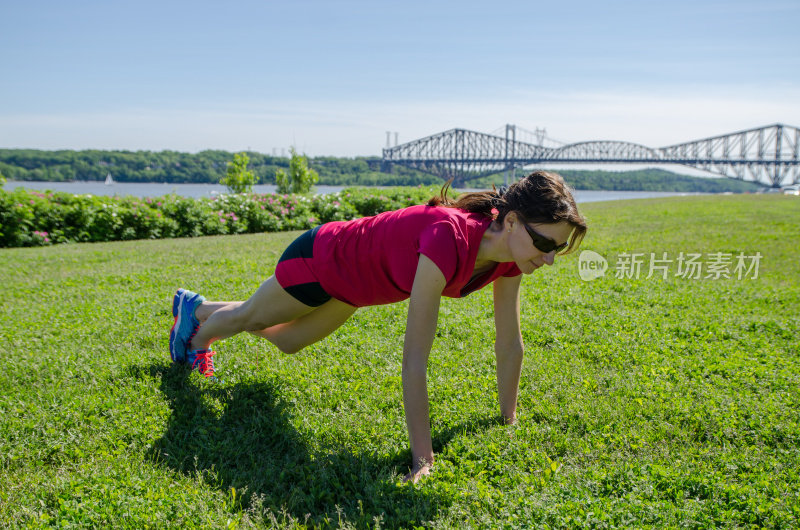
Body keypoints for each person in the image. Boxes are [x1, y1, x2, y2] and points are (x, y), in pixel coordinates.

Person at [169, 170, 587, 483]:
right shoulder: (449, 238)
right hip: (323, 259)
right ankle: (196, 336)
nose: (549, 258)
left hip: (358, 289)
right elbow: (414, 361)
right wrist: (423, 460)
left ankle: (199, 307)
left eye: (558, 249)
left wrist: (508, 419)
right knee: (250, 318)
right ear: (511, 221)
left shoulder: (509, 262)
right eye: (545, 243)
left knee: (288, 340)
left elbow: (509, 343)